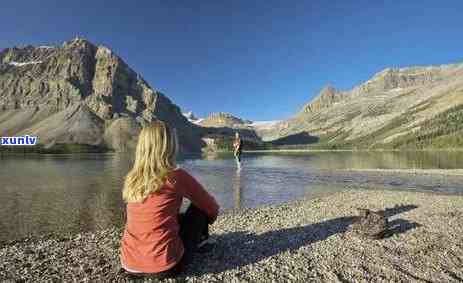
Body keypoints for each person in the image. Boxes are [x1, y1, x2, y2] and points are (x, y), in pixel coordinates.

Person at [120, 120, 219, 279]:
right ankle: (200, 241)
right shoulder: (176, 176)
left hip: (129, 264)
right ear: (168, 146)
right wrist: (207, 220)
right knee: (200, 208)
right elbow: (212, 207)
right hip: (167, 266)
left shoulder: (131, 179)